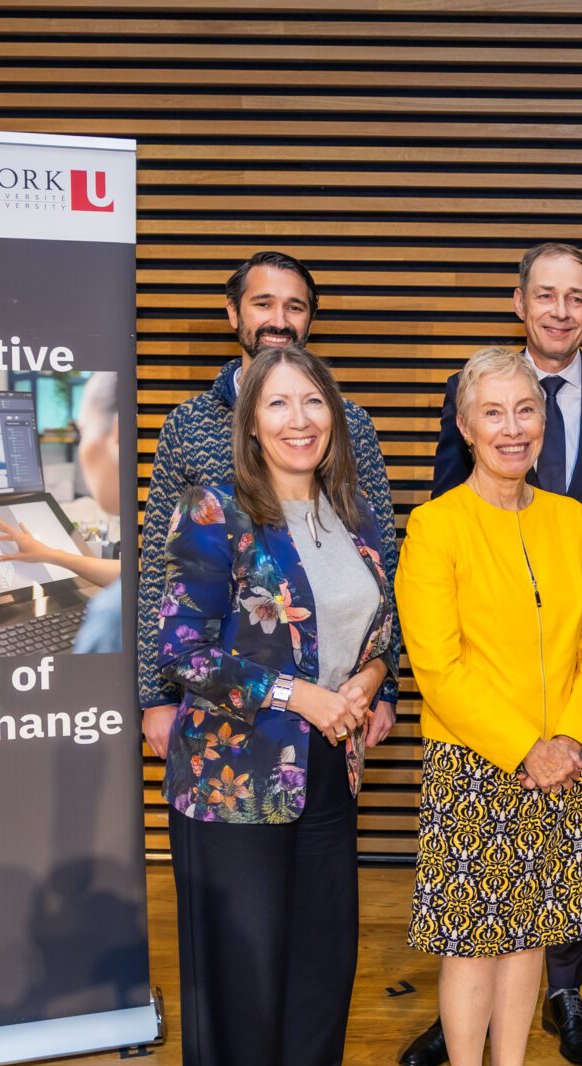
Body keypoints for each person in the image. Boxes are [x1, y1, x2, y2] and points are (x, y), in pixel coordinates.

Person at [403, 242, 582, 1066]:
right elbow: (439, 667)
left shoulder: (570, 522)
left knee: (529, 941)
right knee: (472, 945)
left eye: (526, 413)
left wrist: (576, 740)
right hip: (480, 761)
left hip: (564, 759)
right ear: (465, 424)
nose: (513, 428)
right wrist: (526, 747)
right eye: (495, 413)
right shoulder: (434, 526)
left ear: (542, 423)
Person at [153, 344, 402, 1066]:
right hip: (234, 778)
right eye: (279, 404)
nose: (300, 420)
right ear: (251, 424)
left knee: (321, 974)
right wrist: (299, 693)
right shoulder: (213, 512)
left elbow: (377, 631)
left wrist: (374, 677)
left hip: (328, 772)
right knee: (244, 987)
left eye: (314, 401)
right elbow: (182, 652)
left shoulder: (346, 515)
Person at [138, 251, 401, 760]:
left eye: (295, 307)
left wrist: (382, 685)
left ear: (310, 320)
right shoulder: (187, 424)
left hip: (332, 713)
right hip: (219, 716)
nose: (279, 320)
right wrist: (155, 697)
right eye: (263, 303)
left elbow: (381, 561)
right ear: (234, 313)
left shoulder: (348, 426)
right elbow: (157, 574)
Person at [0, 370, 125, 653]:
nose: (80, 446)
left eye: (81, 431)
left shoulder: (111, 617)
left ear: (116, 433)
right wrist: (50, 554)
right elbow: (134, 575)